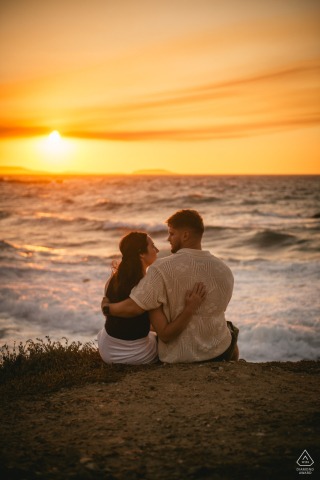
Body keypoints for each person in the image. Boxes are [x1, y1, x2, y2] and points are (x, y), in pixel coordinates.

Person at [101, 210, 239, 364]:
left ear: (185, 235)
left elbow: (136, 307)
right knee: (230, 330)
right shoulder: (225, 270)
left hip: (178, 356)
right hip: (217, 352)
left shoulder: (160, 269)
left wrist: (108, 308)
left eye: (172, 234)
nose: (168, 239)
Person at [98, 231, 206, 365]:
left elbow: (127, 319)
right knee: (170, 342)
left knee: (152, 333)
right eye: (153, 246)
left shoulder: (114, 279)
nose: (157, 250)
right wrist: (190, 308)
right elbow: (166, 334)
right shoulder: (148, 286)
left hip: (106, 348)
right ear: (141, 253)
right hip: (132, 355)